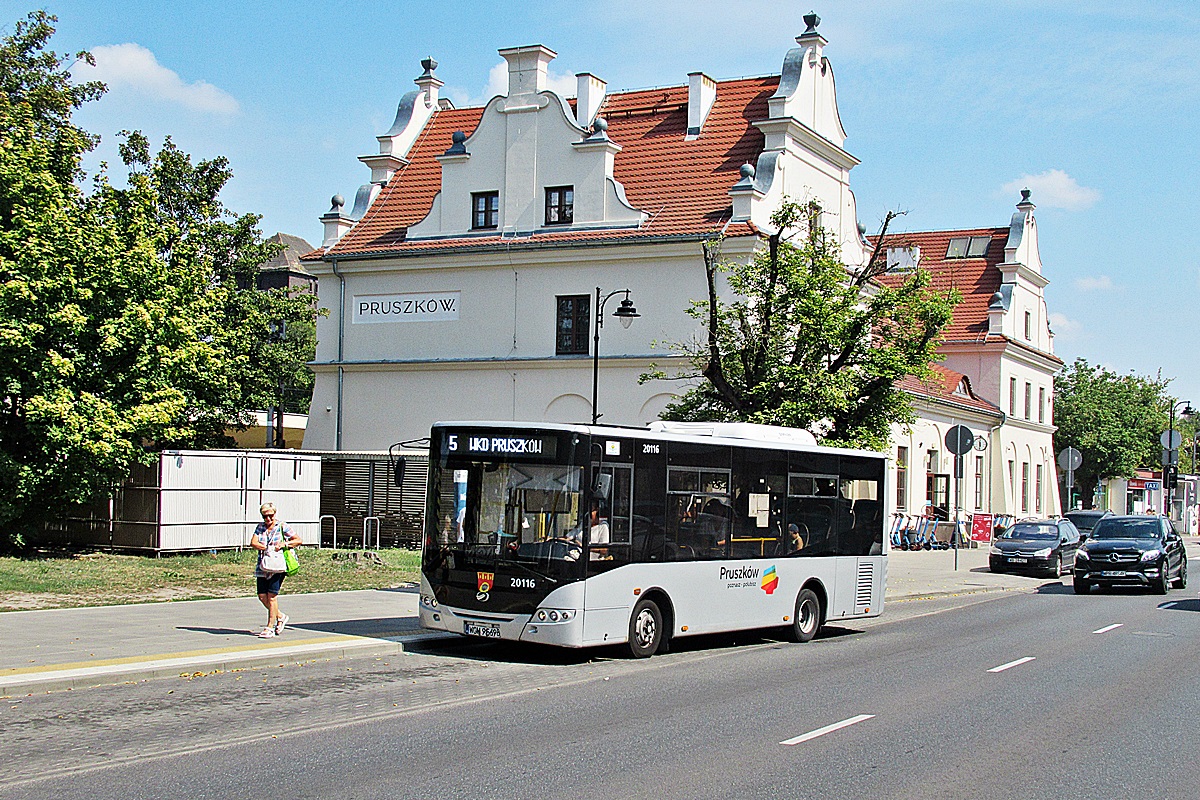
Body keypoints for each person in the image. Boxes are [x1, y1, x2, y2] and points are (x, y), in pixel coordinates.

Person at [251, 502, 302, 638]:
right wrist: (265, 548)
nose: (268, 519)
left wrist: (284, 544)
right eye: (265, 516)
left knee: (272, 596)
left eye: (270, 516)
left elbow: (298, 540)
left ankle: (270, 627)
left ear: (275, 514)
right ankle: (281, 616)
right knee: (262, 596)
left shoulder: (282, 526)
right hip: (263, 564)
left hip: (278, 566)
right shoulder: (260, 527)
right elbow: (253, 542)